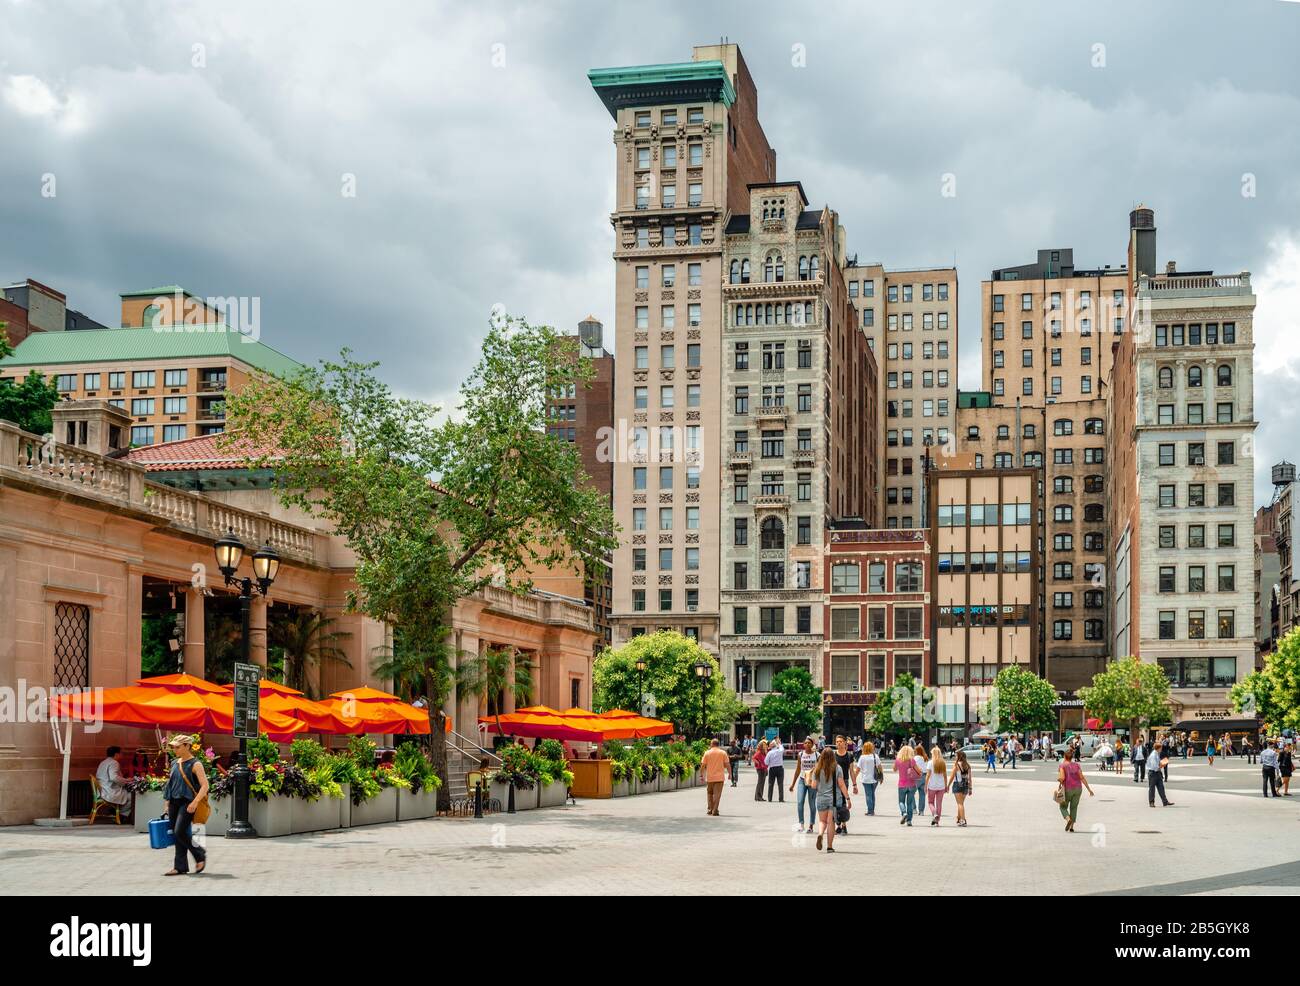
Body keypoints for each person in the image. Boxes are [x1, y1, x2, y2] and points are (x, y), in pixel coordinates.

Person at [163, 735, 208, 876]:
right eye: (174, 747)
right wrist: (166, 803)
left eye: (178, 747)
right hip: (174, 802)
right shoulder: (174, 763)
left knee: (180, 831)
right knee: (178, 835)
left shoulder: (196, 764)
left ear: (187, 746)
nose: (174, 749)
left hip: (187, 803)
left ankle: (199, 854)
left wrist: (195, 802)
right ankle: (180, 867)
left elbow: (205, 786)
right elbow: (170, 785)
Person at [809, 748, 850, 853]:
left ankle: (820, 834)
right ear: (833, 756)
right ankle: (830, 847)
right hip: (834, 799)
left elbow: (813, 786)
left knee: (822, 821)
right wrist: (848, 798)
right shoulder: (837, 768)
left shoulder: (817, 769)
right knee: (830, 821)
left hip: (821, 798)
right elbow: (841, 784)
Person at [1057, 747, 1093, 832]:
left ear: (1064, 757)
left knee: (1062, 806)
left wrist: (1059, 782)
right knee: (1074, 807)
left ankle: (1068, 819)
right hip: (1078, 789)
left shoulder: (1062, 765)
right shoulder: (1077, 765)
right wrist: (1089, 789)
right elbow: (1082, 777)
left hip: (1067, 789)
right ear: (1072, 757)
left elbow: (1062, 777)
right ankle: (1072, 827)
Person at [791, 737, 819, 833]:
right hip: (802, 780)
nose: (807, 744)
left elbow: (819, 770)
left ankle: (811, 825)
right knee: (800, 802)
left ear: (812, 744)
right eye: (805, 743)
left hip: (812, 781)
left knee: (812, 804)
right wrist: (793, 784)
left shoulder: (816, 755)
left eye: (809, 743)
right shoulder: (801, 754)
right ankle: (801, 824)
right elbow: (798, 769)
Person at [95, 746, 132, 815]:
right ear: (116, 754)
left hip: (103, 790)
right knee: (133, 797)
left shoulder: (103, 762)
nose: (122, 755)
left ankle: (116, 812)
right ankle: (120, 813)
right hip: (109, 791)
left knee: (129, 795)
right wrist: (126, 780)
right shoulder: (114, 763)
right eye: (121, 753)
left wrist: (124, 780)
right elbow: (113, 777)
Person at [833, 735, 858, 834]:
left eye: (840, 741)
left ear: (845, 743)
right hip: (834, 782)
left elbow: (851, 771)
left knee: (843, 802)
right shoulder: (833, 755)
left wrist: (854, 785)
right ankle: (838, 825)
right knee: (835, 803)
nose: (838, 743)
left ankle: (844, 825)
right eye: (837, 741)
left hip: (845, 781)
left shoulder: (849, 756)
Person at [700, 739, 730, 816]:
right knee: (717, 794)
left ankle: (710, 809)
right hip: (719, 778)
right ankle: (715, 810)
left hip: (710, 777)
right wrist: (730, 774)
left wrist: (701, 774)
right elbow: (727, 764)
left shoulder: (707, 753)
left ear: (712, 744)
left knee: (709, 793)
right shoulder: (723, 753)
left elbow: (703, 765)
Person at [894, 744, 920, 826]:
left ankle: (904, 813)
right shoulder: (911, 760)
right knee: (910, 803)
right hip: (912, 784)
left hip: (901, 784)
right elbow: (919, 771)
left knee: (901, 801)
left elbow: (894, 769)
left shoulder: (898, 760)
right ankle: (909, 821)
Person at [856, 741, 882, 816]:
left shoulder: (862, 757)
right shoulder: (875, 756)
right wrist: (881, 778)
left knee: (868, 795)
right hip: (875, 779)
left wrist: (854, 777)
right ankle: (872, 810)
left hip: (865, 779)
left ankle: (870, 811)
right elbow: (880, 767)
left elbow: (858, 769)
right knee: (872, 794)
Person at [948, 749, 972, 827]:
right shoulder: (968, 766)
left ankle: (963, 820)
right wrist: (970, 788)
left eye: (956, 756)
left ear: (959, 757)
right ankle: (958, 818)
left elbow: (952, 776)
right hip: (965, 785)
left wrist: (948, 785)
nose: (955, 757)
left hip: (957, 785)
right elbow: (970, 778)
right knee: (961, 803)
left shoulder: (957, 765)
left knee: (960, 804)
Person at [926, 747, 948, 825]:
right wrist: (946, 786)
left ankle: (934, 814)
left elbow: (928, 775)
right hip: (941, 786)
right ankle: (937, 821)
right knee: (939, 803)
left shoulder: (930, 762)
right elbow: (945, 776)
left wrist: (925, 786)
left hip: (932, 786)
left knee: (930, 802)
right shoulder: (943, 763)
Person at [1147, 741, 1173, 807]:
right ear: (1158, 748)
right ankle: (1151, 802)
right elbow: (1154, 766)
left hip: (1157, 773)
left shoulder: (1156, 754)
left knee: (1161, 787)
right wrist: (1162, 765)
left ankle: (1165, 801)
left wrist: (1161, 764)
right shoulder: (1153, 755)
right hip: (1153, 773)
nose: (1161, 749)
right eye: (1161, 748)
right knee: (1152, 788)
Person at [765, 738, 786, 802]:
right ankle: (781, 799)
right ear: (776, 746)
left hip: (772, 769)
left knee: (770, 784)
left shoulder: (769, 753)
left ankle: (770, 798)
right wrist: (779, 743)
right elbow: (782, 748)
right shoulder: (780, 751)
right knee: (780, 784)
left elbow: (766, 762)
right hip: (780, 768)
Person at [913, 744, 930, 816]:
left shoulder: (915, 758)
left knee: (911, 793)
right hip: (924, 776)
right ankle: (921, 811)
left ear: (916, 751)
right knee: (922, 795)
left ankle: (914, 809)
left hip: (916, 777)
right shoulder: (925, 757)